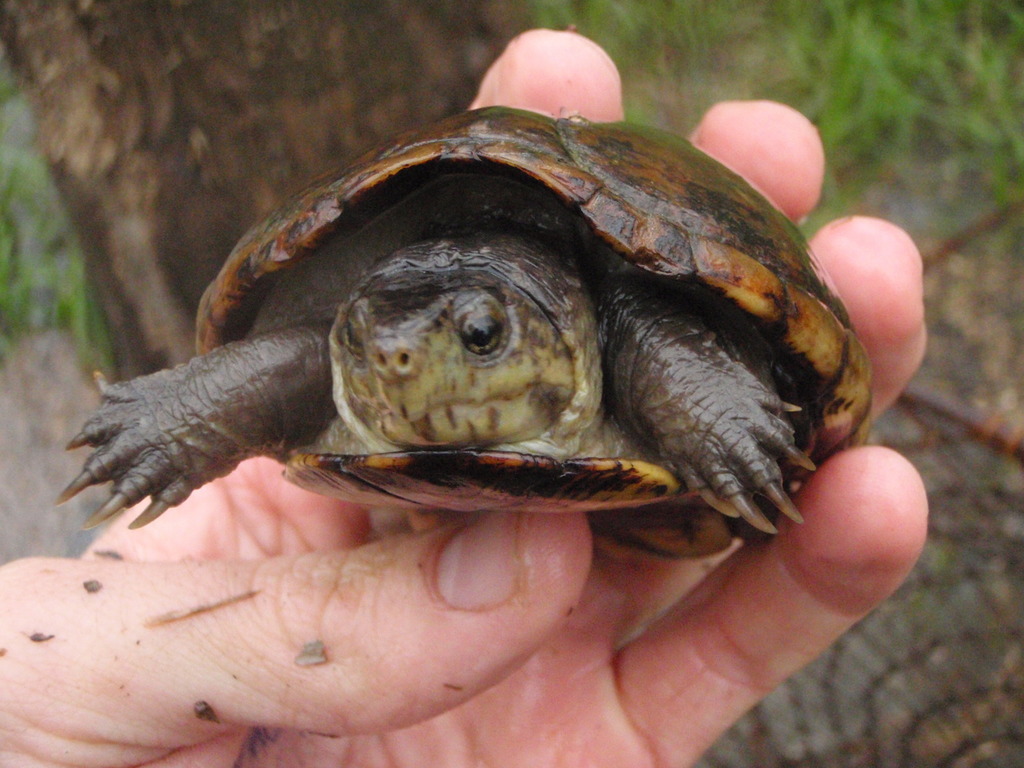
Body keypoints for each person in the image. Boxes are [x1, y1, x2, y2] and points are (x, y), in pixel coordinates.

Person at [0, 29, 928, 767]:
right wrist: (167, 427)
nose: (406, 365)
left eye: (478, 339)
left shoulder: (626, 319)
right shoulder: (318, 359)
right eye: (375, 346)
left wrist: (735, 430)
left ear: (546, 326)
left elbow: (676, 334)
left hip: (637, 369)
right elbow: (282, 363)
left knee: (812, 466)